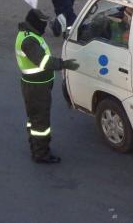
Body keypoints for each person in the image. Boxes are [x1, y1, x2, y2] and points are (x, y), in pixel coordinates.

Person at [16, 9, 79, 163]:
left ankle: (35, 144)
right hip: (36, 88)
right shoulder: (29, 41)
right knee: (41, 122)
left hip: (36, 86)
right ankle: (41, 154)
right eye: (43, 24)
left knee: (34, 118)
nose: (45, 28)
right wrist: (63, 64)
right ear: (36, 24)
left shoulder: (30, 35)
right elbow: (43, 61)